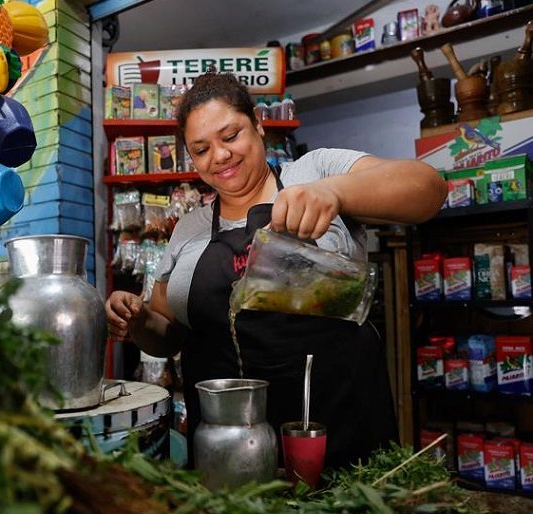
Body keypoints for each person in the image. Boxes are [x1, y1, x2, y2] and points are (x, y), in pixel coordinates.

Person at [105, 72, 446, 469]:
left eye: (231, 136)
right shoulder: (189, 229)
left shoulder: (314, 173)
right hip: (227, 443)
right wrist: (138, 317)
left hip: (339, 429)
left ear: (259, 126)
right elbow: (167, 336)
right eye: (201, 149)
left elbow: (429, 189)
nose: (219, 156)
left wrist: (333, 194)